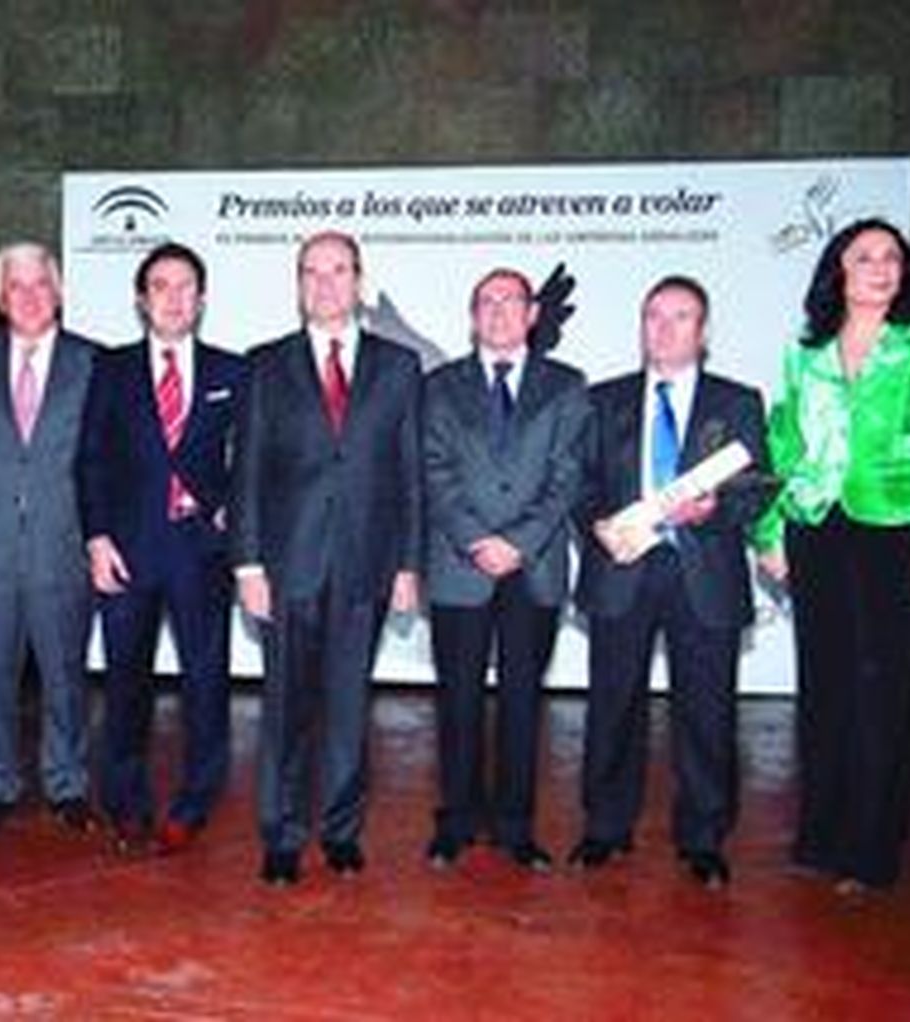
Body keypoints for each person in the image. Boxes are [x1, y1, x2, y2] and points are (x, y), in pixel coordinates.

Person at [754, 219, 910, 894]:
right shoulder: (805, 351)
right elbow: (783, 447)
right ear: (838, 271)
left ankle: (871, 850)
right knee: (825, 688)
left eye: (892, 258)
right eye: (864, 257)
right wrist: (769, 532)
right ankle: (820, 838)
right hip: (817, 528)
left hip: (899, 530)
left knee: (882, 691)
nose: (881, 268)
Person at [231, 231, 423, 886]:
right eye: (311, 272)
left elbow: (410, 475)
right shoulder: (265, 364)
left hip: (366, 562)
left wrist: (408, 565)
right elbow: (247, 470)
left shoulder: (398, 367)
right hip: (286, 566)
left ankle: (341, 831)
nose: (325, 283)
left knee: (348, 704)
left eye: (338, 271)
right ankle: (281, 834)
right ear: (298, 284)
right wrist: (248, 565)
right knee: (285, 706)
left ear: (359, 280)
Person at [570, 276, 769, 889]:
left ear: (703, 331)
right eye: (654, 316)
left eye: (680, 318)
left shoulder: (736, 402)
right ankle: (606, 827)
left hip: (701, 573)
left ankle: (704, 838)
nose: (664, 328)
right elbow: (579, 483)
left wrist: (716, 511)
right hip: (623, 571)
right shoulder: (603, 400)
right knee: (611, 706)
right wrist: (594, 524)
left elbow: (755, 489)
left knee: (706, 712)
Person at [77, 242, 247, 855]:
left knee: (206, 681)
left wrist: (233, 507)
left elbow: (251, 461)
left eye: (184, 287)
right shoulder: (111, 369)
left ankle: (196, 800)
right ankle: (126, 802)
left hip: (202, 551)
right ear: (141, 300)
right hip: (127, 551)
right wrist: (95, 538)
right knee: (126, 682)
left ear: (201, 300)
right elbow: (91, 460)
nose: (173, 298)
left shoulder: (235, 372)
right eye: (160, 286)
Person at [421, 268, 589, 874]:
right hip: (457, 565)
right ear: (472, 316)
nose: (498, 312)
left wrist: (516, 543)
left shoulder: (568, 386)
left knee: (523, 700)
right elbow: (433, 471)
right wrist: (476, 540)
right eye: (485, 302)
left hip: (534, 565)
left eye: (510, 301)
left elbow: (568, 473)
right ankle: (457, 820)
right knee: (457, 700)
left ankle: (517, 826)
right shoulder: (438, 386)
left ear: (533, 314)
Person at [0, 242, 99, 834]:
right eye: (16, 286)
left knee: (65, 673)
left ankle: (67, 782)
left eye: (40, 284)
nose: (30, 296)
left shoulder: (94, 361)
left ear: (58, 291)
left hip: (64, 543)